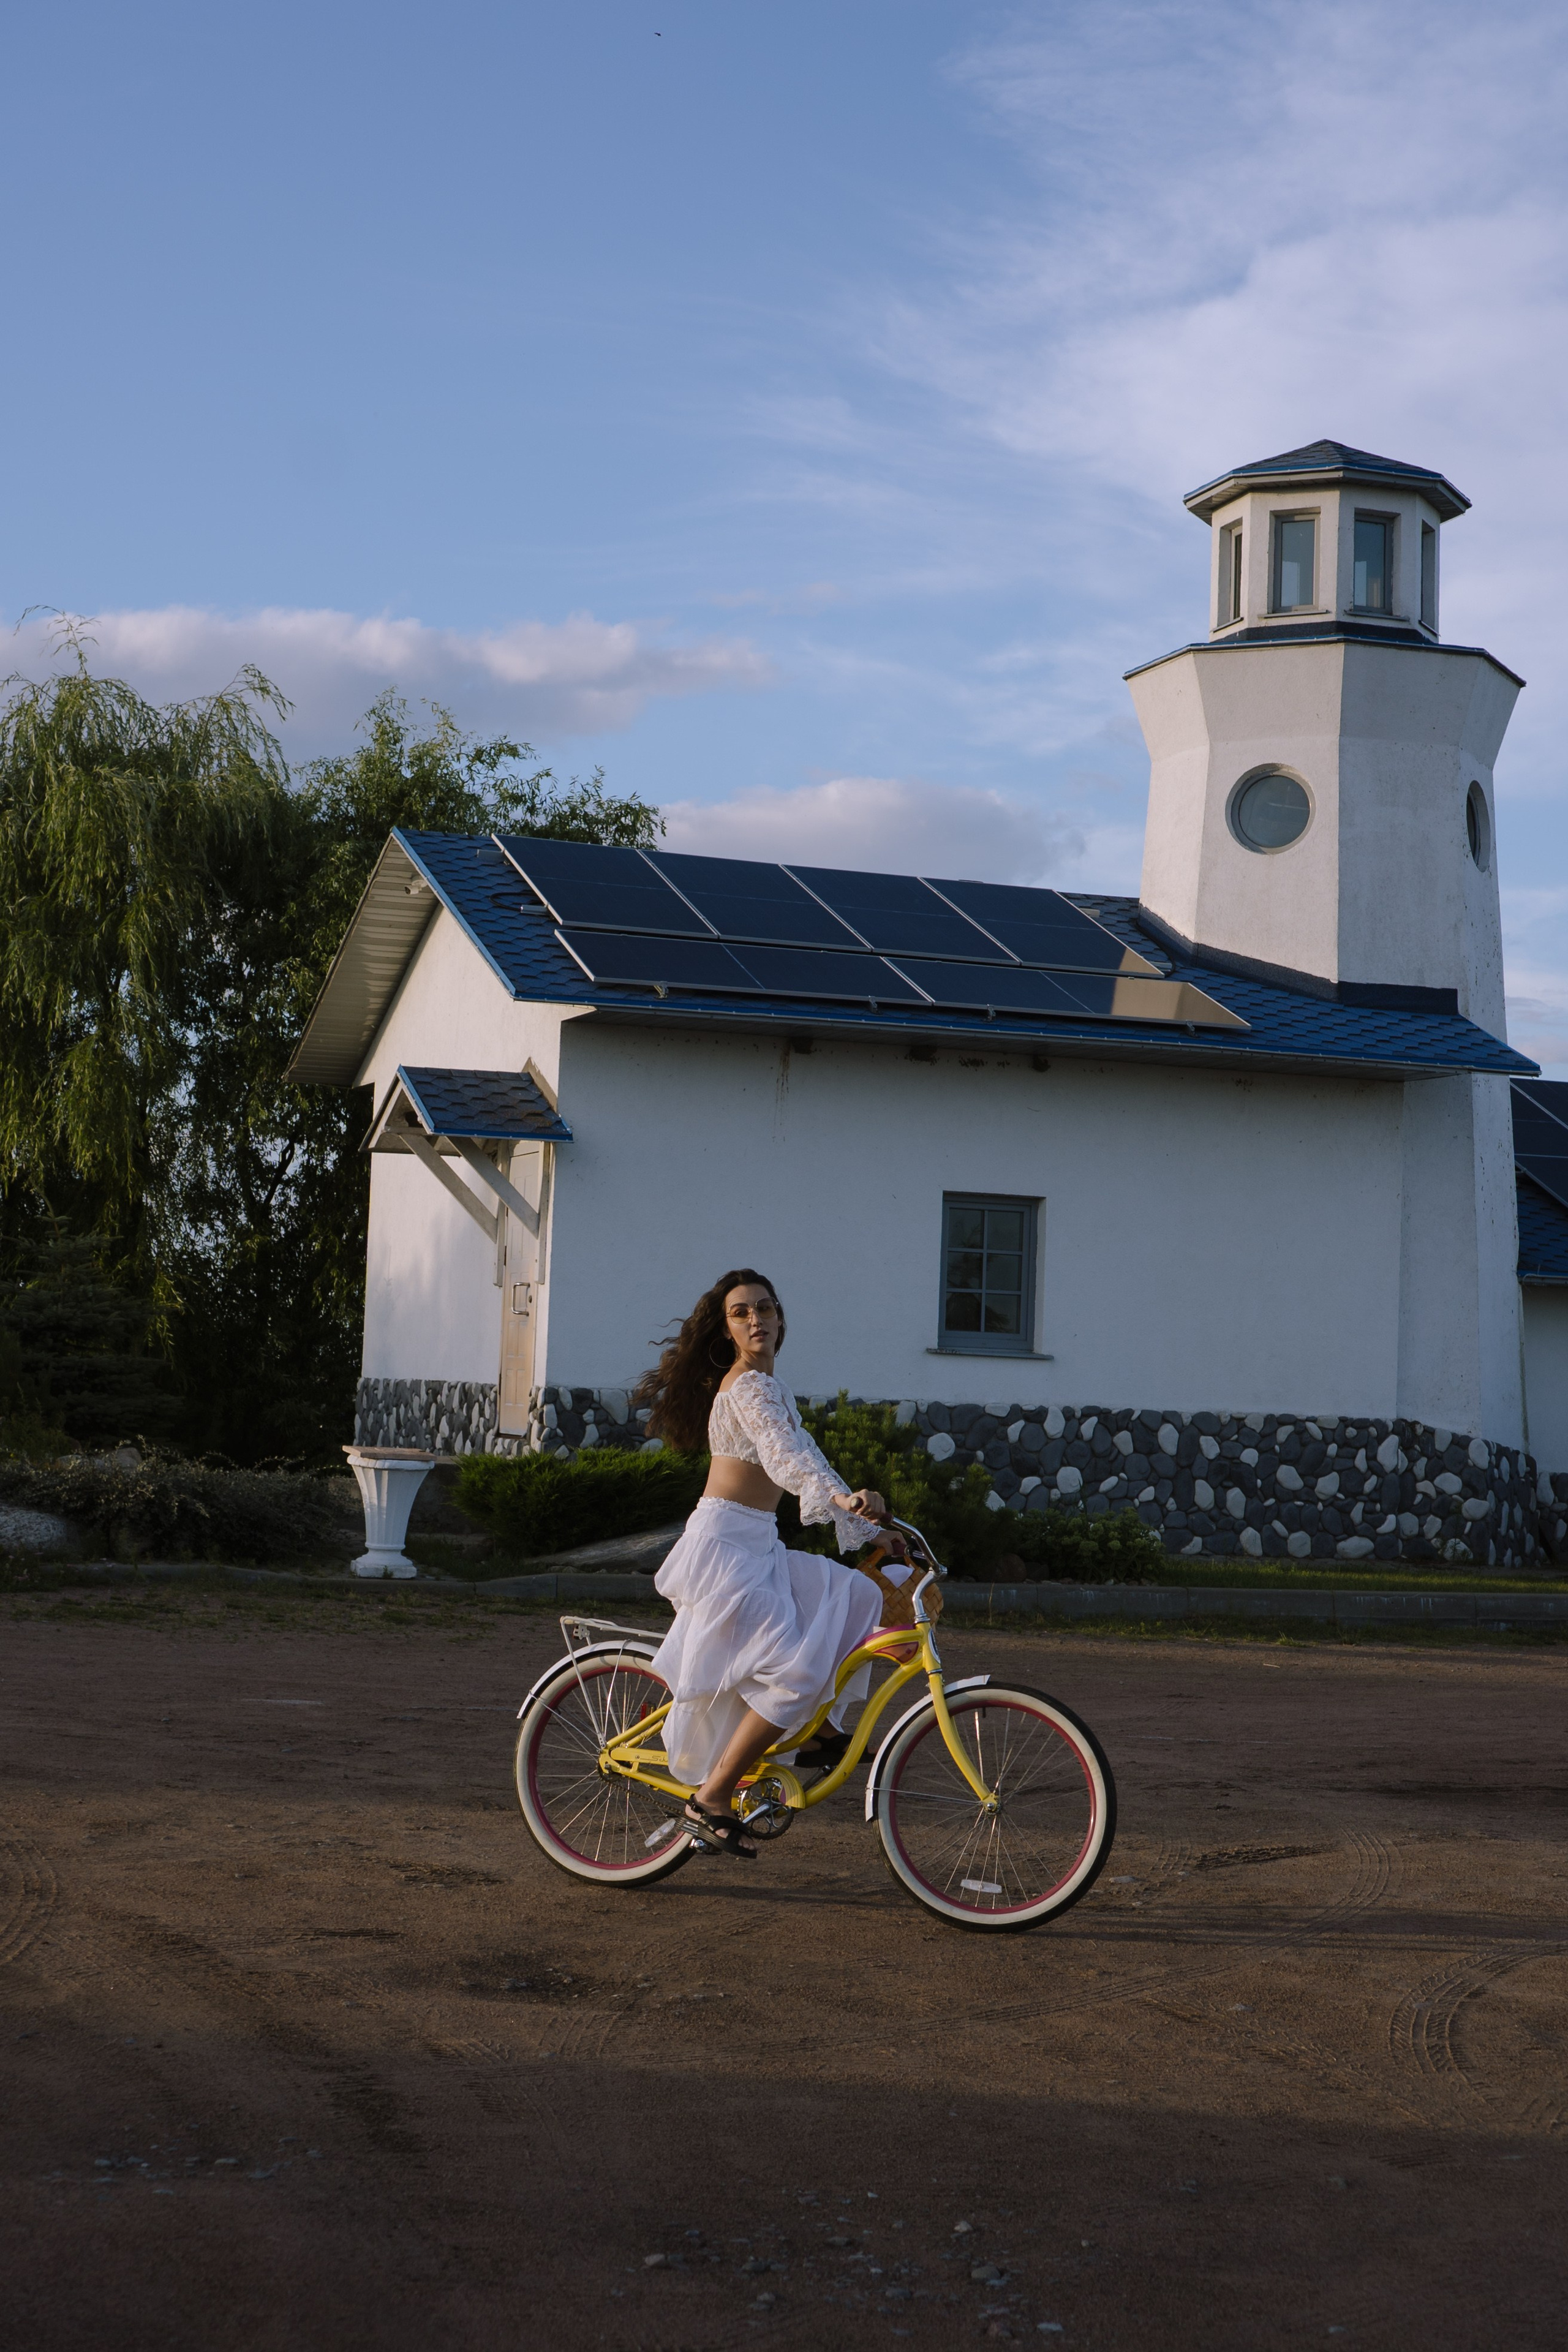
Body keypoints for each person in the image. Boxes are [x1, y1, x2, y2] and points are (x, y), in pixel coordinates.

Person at [633, 1267, 908, 1859]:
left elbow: (808, 1457)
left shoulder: (770, 1385)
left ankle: (820, 1736)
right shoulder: (748, 1389)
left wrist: (866, 1530)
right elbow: (787, 1461)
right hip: (726, 1549)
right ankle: (709, 1800)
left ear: (781, 1319)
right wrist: (844, 1502)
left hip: (757, 1544)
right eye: (741, 1313)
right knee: (793, 1671)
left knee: (857, 1598)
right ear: (728, 1329)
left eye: (764, 1308)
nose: (755, 1319)